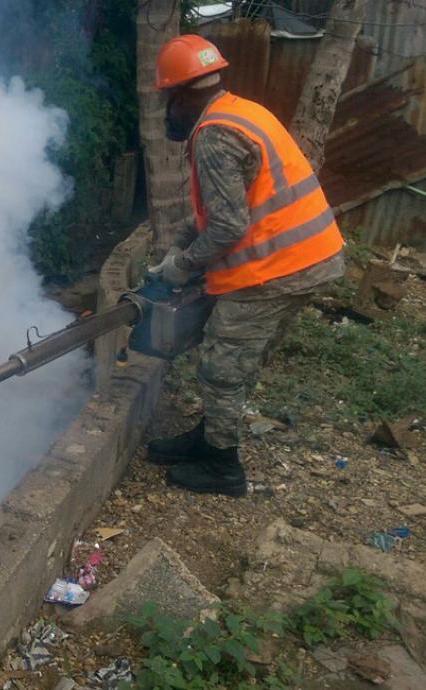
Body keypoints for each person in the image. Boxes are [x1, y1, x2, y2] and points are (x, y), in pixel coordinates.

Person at [146, 34, 345, 497]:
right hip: (310, 256)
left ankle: (222, 467)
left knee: (222, 362)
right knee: (236, 358)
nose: (167, 114)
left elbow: (229, 226)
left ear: (180, 94)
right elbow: (213, 213)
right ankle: (210, 432)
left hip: (277, 267)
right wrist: (175, 252)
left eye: (168, 102)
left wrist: (183, 267)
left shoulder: (214, 136)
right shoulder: (242, 111)